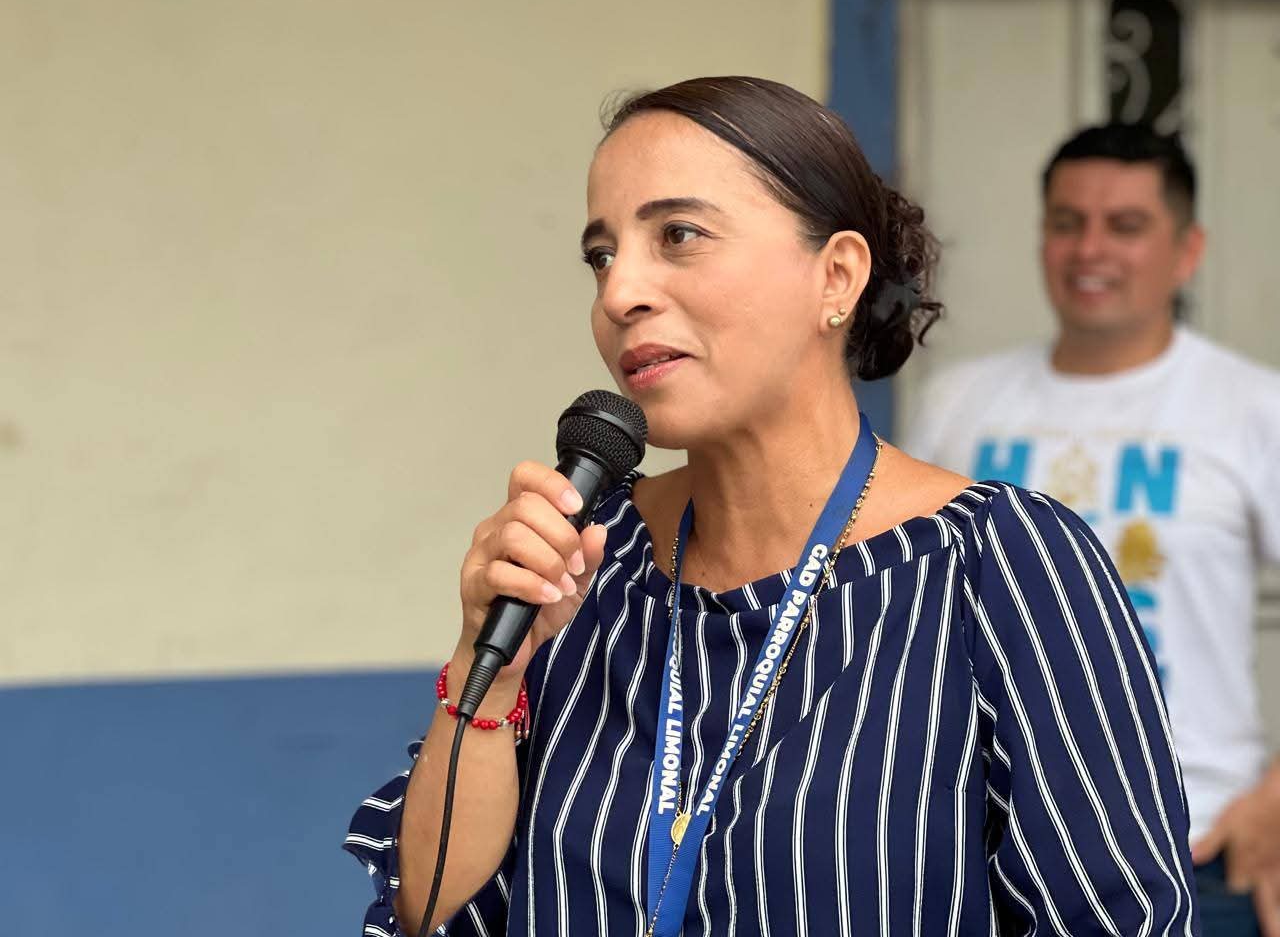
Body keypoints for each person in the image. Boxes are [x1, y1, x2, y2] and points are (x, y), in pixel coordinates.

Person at [346, 79, 1199, 936]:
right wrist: (487, 665)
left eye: (678, 235)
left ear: (837, 275)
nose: (618, 292)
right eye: (601, 255)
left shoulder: (1001, 565)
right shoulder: (582, 568)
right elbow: (431, 914)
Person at [906, 121, 1280, 936]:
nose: (1090, 250)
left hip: (1196, 848)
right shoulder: (957, 403)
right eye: (1067, 222)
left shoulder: (1254, 408)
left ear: (1187, 250)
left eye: (1126, 225)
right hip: (980, 849)